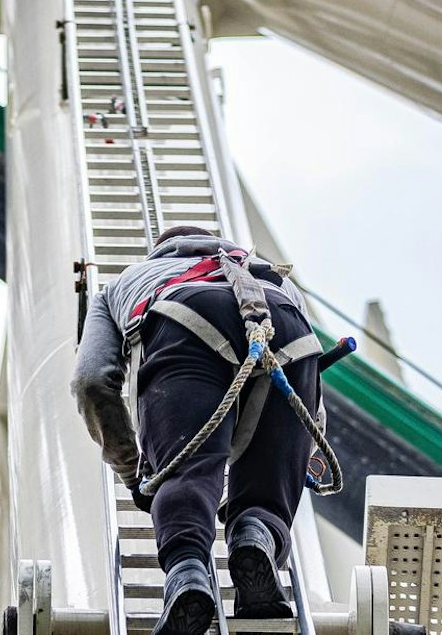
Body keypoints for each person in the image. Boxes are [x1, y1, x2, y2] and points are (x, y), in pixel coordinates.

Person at [71, 226, 325, 635]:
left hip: (184, 317)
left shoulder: (122, 284)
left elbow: (91, 381)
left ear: (161, 252)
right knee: (269, 487)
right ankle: (255, 533)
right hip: (288, 326)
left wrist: (135, 470)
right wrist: (300, 459)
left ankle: (188, 576)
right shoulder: (272, 275)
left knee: (187, 469)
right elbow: (312, 410)